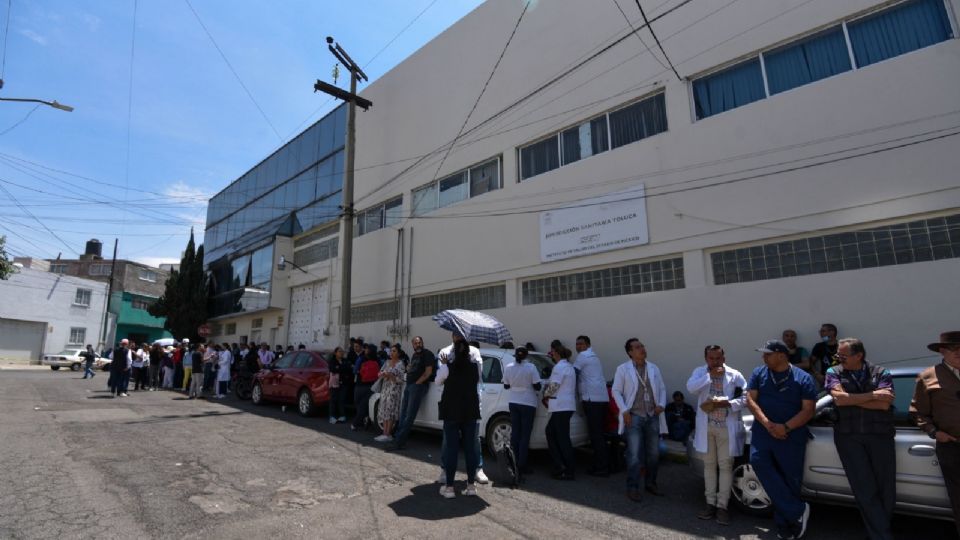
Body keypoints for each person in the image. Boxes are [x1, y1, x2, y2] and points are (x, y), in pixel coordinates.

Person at [825, 338, 896, 540]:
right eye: (838, 355)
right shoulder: (833, 372)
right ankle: (882, 535)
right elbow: (838, 399)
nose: (839, 358)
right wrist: (873, 395)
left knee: (886, 489)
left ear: (859, 356)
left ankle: (881, 529)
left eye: (843, 356)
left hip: (880, 435)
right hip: (849, 437)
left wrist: (850, 400)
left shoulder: (881, 373)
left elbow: (885, 405)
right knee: (864, 488)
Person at [746, 339, 816, 540]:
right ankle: (797, 511)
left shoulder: (803, 378)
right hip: (763, 432)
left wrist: (785, 427)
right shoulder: (759, 373)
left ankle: (786, 525)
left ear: (782, 355)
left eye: (768, 354)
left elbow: (808, 409)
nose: (763, 357)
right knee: (758, 461)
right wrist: (768, 424)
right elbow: (750, 399)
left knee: (789, 478)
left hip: (791, 435)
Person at [686, 345, 747, 526]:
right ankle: (710, 504)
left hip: (726, 428)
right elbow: (691, 388)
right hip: (707, 426)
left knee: (726, 466)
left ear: (724, 357)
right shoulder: (700, 372)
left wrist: (728, 403)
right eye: (711, 359)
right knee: (709, 465)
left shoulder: (735, 374)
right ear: (706, 359)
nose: (715, 362)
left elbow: (746, 397)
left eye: (718, 358)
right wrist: (709, 377)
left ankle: (723, 506)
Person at [910, 330, 960, 537]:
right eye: (953, 348)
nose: (958, 352)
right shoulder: (928, 376)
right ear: (942, 351)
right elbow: (918, 412)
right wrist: (934, 432)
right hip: (952, 446)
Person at [611, 338, 668, 502]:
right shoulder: (623, 369)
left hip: (652, 416)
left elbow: (662, 388)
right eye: (637, 347)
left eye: (642, 346)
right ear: (630, 352)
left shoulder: (653, 368)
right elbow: (616, 391)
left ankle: (651, 483)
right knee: (634, 454)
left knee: (653, 453)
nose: (642, 349)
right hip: (634, 417)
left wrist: (661, 404)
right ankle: (633, 487)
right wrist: (624, 410)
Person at [435, 333, 489, 485]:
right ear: (451, 335)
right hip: (455, 404)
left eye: (461, 334)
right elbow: (442, 378)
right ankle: (447, 471)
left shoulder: (474, 352)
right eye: (455, 334)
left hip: (468, 404)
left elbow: (478, 376)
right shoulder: (445, 352)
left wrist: (451, 367)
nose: (458, 337)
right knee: (450, 442)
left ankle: (476, 471)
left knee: (472, 441)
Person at [387, 337, 436, 450]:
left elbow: (428, 372)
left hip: (417, 386)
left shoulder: (427, 354)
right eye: (415, 343)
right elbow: (413, 369)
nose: (417, 344)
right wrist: (409, 370)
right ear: (413, 345)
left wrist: (417, 383)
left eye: (419, 342)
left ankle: (399, 442)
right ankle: (398, 439)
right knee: (403, 413)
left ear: (422, 343)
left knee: (409, 415)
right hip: (409, 385)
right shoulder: (414, 356)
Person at [501, 346, 541, 478]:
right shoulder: (531, 367)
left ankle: (513, 462)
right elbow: (537, 386)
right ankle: (522, 465)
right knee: (525, 435)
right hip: (528, 403)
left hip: (513, 402)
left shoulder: (508, 367)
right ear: (526, 355)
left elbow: (506, 386)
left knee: (515, 433)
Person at [574, 335, 610, 476]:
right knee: (599, 434)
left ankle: (601, 467)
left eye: (581, 344)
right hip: (600, 399)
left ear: (588, 345)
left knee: (596, 435)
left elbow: (573, 373)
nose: (578, 346)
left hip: (592, 399)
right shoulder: (594, 356)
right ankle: (602, 464)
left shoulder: (583, 356)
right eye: (577, 344)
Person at [543, 342, 577, 480]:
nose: (552, 356)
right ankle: (560, 464)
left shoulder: (559, 367)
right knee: (551, 432)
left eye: (552, 353)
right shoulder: (569, 367)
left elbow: (554, 386)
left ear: (556, 354)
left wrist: (545, 395)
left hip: (560, 406)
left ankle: (567, 469)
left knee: (562, 438)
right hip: (566, 406)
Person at [375, 344, 406, 442]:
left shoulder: (401, 364)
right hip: (385, 389)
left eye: (394, 351)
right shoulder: (387, 362)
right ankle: (384, 433)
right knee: (384, 410)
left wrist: (391, 376)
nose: (392, 353)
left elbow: (401, 380)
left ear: (398, 353)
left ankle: (388, 433)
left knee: (391, 411)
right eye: (391, 351)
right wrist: (383, 374)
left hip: (394, 390)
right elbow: (379, 373)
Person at [352, 345, 380, 430]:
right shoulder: (378, 360)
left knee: (359, 405)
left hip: (360, 385)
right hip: (372, 386)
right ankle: (365, 420)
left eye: (366, 348)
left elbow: (355, 371)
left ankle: (356, 423)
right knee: (365, 405)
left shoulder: (361, 358)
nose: (365, 349)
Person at [804, 323, 838, 388]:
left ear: (832, 332)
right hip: (826, 380)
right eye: (820, 331)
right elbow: (811, 362)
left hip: (843, 379)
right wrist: (817, 374)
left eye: (823, 331)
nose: (820, 333)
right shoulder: (819, 346)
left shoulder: (842, 346)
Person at [328, 347, 348, 424]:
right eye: (340, 351)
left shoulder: (345, 361)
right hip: (334, 383)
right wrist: (341, 368)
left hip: (343, 383)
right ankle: (332, 416)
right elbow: (333, 369)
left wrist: (339, 368)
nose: (342, 353)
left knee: (341, 400)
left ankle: (342, 416)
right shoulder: (332, 361)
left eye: (342, 351)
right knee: (333, 400)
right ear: (335, 353)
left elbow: (348, 368)